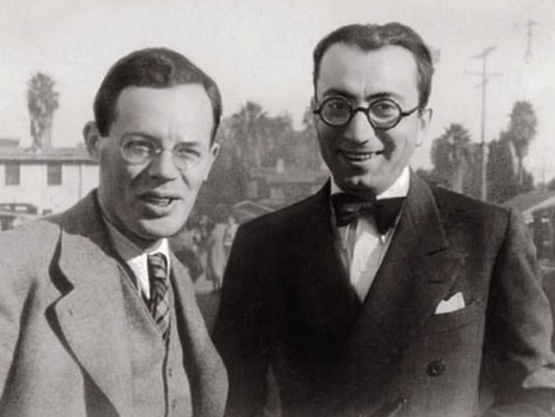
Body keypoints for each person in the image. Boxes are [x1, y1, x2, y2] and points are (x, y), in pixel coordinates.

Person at [213, 23, 555, 417]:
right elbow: (230, 401)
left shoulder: (487, 235)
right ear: (316, 113)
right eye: (337, 106)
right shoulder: (262, 245)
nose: (358, 133)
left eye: (384, 108)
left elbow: (536, 395)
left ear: (422, 121)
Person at [0, 47, 227, 417]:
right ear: (94, 143)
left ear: (211, 160)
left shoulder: (180, 279)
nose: (164, 170)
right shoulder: (12, 267)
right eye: (140, 147)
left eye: (187, 152)